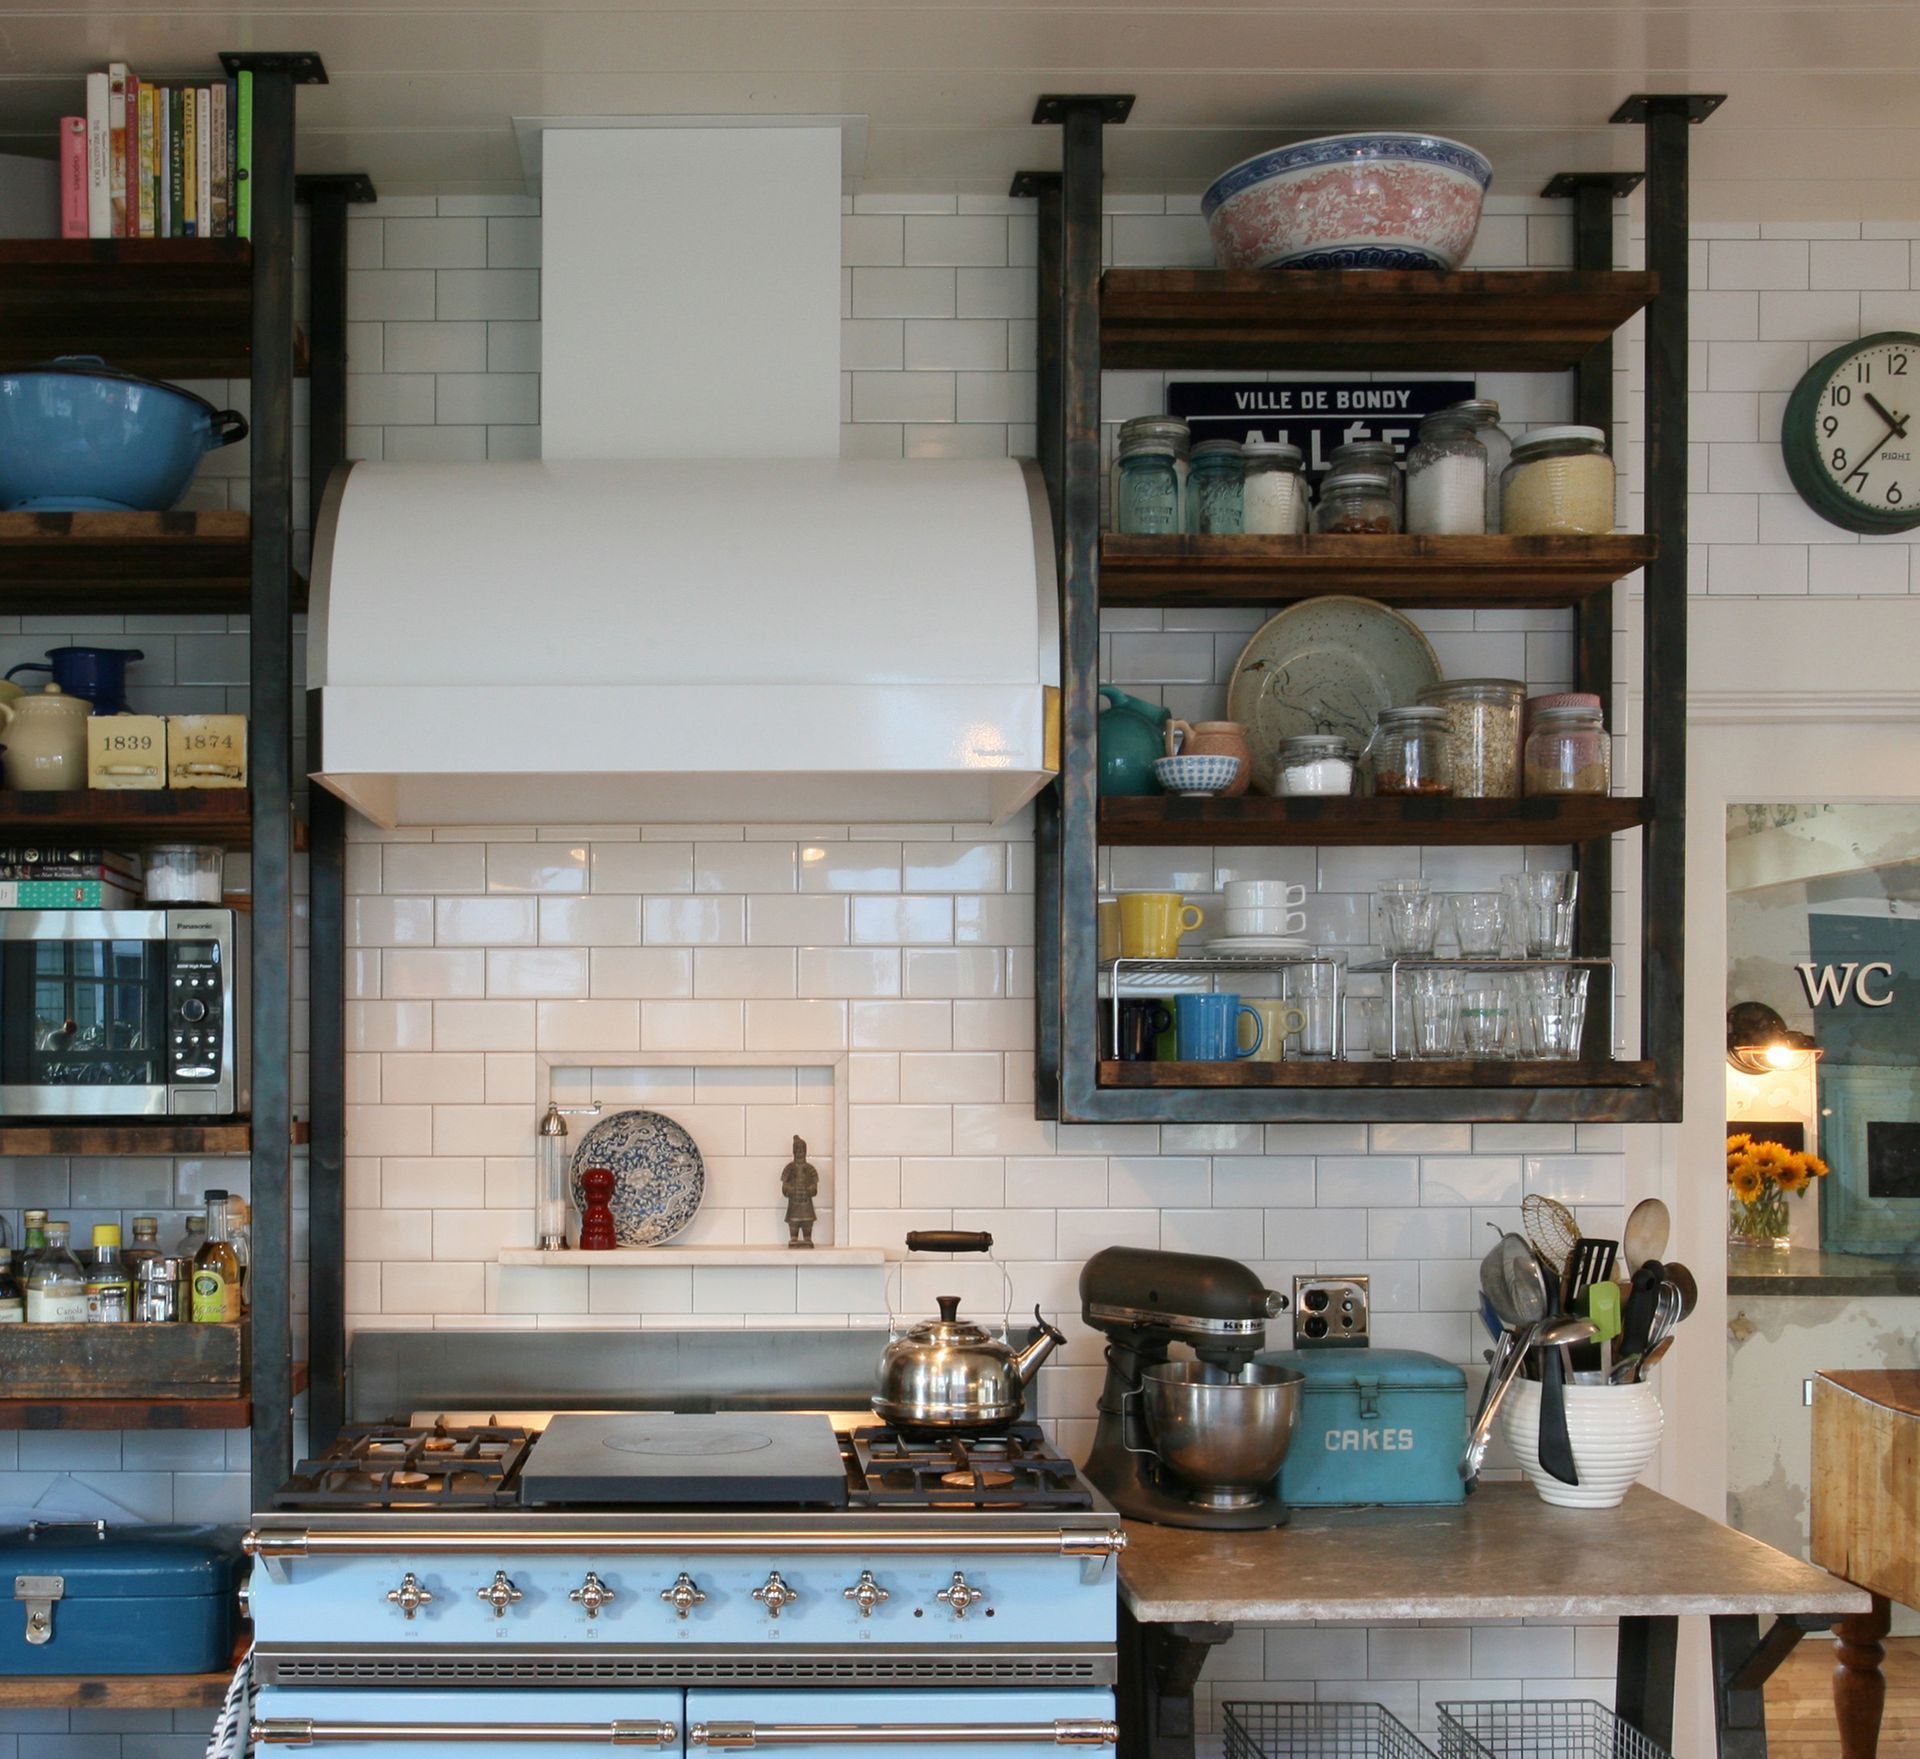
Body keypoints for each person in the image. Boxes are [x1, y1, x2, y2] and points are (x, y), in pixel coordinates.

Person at [781, 1136, 818, 1249]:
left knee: (807, 1222)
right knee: (794, 1222)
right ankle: (794, 1237)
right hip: (794, 1203)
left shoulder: (810, 1168)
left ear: (805, 1151)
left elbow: (814, 1186)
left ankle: (807, 1237)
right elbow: (784, 1185)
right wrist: (789, 1189)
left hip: (806, 1202)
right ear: (794, 1151)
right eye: (797, 1149)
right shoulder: (789, 1168)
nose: (799, 1152)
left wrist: (811, 1189)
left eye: (802, 1149)